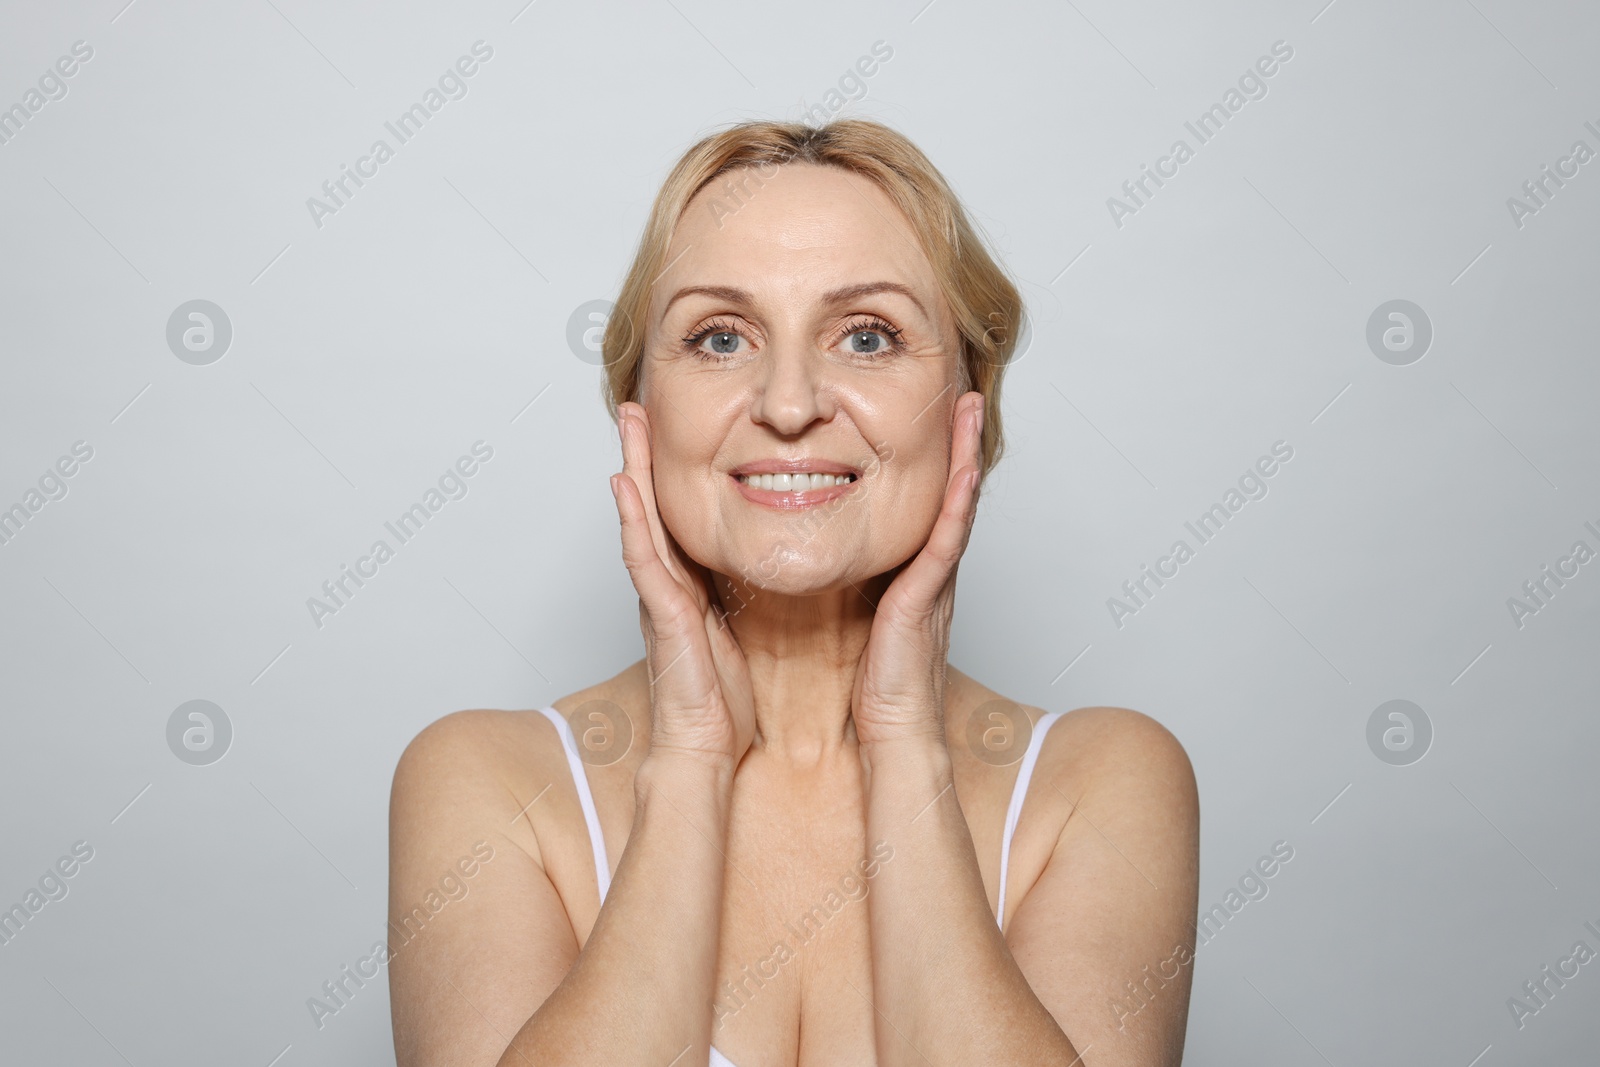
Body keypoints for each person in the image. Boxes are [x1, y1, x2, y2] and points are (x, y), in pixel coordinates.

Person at [388, 118, 1199, 1066]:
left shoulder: (1103, 785)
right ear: (638, 407)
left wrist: (903, 738)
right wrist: (690, 760)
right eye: (720, 337)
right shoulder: (484, 785)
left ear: (966, 407)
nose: (787, 403)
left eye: (867, 335)